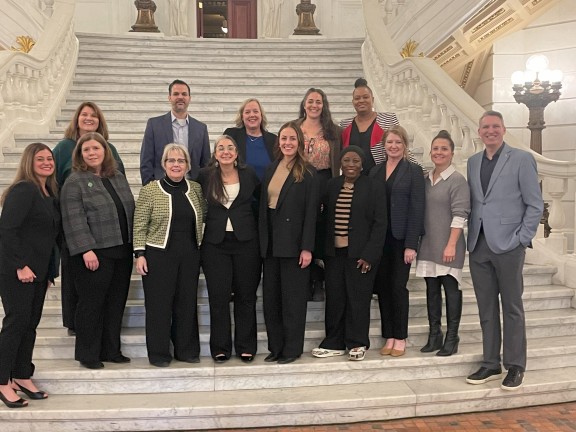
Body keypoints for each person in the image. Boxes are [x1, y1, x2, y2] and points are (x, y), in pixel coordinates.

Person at [466, 111, 543, 390]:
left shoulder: (521, 159)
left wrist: (522, 238)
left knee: (512, 307)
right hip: (478, 245)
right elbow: (478, 203)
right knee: (486, 309)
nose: (490, 131)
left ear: (503, 129)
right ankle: (490, 363)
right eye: (485, 126)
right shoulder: (473, 162)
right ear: (479, 131)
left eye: (495, 126)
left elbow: (535, 204)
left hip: (509, 244)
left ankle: (515, 366)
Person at [61, 132, 135, 370]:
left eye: (96, 148)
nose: (92, 153)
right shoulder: (75, 181)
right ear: (80, 154)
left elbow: (129, 211)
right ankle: (88, 353)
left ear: (106, 151)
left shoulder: (118, 177)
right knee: (92, 304)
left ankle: (111, 350)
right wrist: (86, 249)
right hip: (94, 254)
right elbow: (74, 219)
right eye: (87, 150)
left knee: (115, 303)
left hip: (121, 251)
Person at [52, 101, 125, 337]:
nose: (89, 118)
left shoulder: (110, 148)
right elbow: (52, 180)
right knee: (78, 282)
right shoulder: (64, 148)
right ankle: (75, 324)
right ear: (76, 119)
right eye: (84, 114)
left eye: (94, 115)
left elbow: (117, 181)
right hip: (75, 219)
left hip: (109, 233)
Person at [133, 144, 206, 367]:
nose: (176, 164)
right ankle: (159, 353)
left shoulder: (195, 188)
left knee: (186, 303)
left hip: (189, 255)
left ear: (187, 165)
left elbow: (202, 218)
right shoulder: (151, 189)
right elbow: (139, 223)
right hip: (158, 254)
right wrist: (139, 253)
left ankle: (186, 350)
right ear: (164, 164)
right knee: (159, 306)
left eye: (180, 161)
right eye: (171, 160)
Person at [311, 146, 387, 362]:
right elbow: (323, 219)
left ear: (362, 164)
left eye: (355, 161)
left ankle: (357, 342)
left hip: (361, 255)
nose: (351, 165)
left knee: (358, 299)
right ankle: (333, 342)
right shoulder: (332, 185)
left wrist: (370, 255)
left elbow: (380, 224)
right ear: (341, 164)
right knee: (335, 298)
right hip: (335, 254)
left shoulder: (374, 187)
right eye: (346, 160)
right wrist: (320, 252)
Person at [0, 143, 60, 408]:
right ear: (29, 162)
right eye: (40, 159)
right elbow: (7, 231)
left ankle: (22, 374)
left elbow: (48, 239)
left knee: (30, 325)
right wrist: (20, 265)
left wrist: (49, 272)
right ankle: (3, 380)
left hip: (38, 272)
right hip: (17, 271)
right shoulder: (24, 190)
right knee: (16, 324)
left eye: (50, 158)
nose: (47, 162)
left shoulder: (47, 193)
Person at [259, 121, 319, 364]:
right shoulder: (271, 169)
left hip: (294, 245)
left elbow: (312, 213)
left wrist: (307, 247)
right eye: (284, 138)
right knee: (272, 300)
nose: (287, 143)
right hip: (271, 243)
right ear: (278, 142)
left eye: (292, 139)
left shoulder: (308, 172)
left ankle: (292, 350)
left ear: (300, 143)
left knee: (293, 301)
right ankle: (276, 348)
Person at [198, 136, 261, 363]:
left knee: (246, 296)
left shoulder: (249, 174)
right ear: (215, 153)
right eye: (221, 148)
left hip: (246, 243)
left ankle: (246, 345)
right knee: (219, 297)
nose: (225, 151)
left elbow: (260, 203)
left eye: (230, 147)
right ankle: (220, 347)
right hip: (215, 244)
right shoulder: (205, 176)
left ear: (236, 153)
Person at [370, 125, 425, 357]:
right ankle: (389, 336)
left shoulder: (413, 171)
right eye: (390, 142)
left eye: (398, 143)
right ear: (384, 145)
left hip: (401, 239)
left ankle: (400, 337)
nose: (393, 146)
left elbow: (417, 209)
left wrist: (412, 244)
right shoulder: (375, 171)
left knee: (397, 288)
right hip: (379, 240)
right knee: (382, 288)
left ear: (405, 146)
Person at [415, 130, 470, 356]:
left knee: (451, 290)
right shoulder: (426, 179)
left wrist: (451, 244)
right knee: (431, 290)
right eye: (436, 148)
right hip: (428, 244)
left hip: (449, 245)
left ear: (452, 153)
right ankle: (434, 335)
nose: (439, 152)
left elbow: (460, 214)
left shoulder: (457, 180)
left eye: (444, 149)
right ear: (430, 152)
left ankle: (452, 337)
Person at [296, 87, 342, 302]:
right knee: (303, 227)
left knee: (321, 230)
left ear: (324, 106)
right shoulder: (293, 128)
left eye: (318, 102)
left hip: (325, 183)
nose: (314, 105)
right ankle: (304, 278)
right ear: (304, 104)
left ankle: (319, 279)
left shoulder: (333, 131)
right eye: (311, 101)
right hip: (299, 182)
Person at [140, 79, 210, 185]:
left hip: (192, 187)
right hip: (161, 186)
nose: (180, 97)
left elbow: (206, 164)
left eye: (184, 94)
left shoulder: (201, 128)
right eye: (176, 94)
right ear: (169, 97)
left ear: (189, 98)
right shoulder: (154, 125)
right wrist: (150, 188)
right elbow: (146, 161)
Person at [223, 98, 277, 180]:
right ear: (242, 116)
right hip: (239, 190)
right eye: (247, 112)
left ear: (261, 115)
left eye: (255, 111)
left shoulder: (273, 139)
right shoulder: (232, 135)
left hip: (265, 190)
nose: (252, 115)